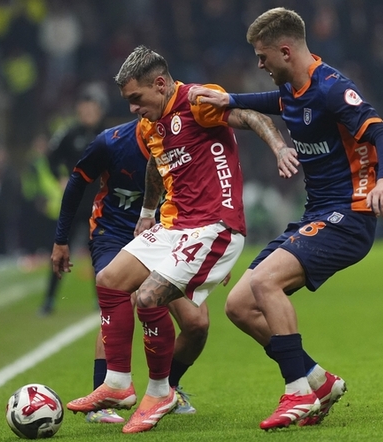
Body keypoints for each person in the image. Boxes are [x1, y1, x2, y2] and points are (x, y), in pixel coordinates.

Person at [187, 7, 383, 431]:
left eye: (262, 56)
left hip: (349, 215)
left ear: (285, 51)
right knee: (239, 306)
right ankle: (318, 381)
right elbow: (278, 102)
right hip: (316, 214)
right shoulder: (294, 90)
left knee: (265, 283)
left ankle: (297, 392)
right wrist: (231, 99)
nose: (259, 65)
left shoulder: (333, 88)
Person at [65, 45, 290, 434]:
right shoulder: (151, 122)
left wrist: (280, 147)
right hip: (173, 225)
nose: (133, 108)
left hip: (214, 225)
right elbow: (157, 162)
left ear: (160, 84)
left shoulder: (198, 101)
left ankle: (161, 392)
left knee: (149, 298)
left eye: (137, 98)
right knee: (109, 281)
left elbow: (251, 116)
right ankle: (117, 384)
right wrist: (147, 213)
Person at [51, 118, 211, 424]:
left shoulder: (184, 140)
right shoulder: (110, 142)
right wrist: (61, 239)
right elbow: (76, 183)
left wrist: (211, 251)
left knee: (197, 323)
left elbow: (202, 197)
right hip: (113, 234)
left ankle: (165, 391)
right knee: (121, 297)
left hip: (166, 236)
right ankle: (102, 398)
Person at [39, 82, 108, 315]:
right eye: (84, 107)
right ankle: (49, 300)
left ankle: (101, 300)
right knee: (60, 248)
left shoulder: (107, 134)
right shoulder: (69, 133)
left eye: (93, 108)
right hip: (74, 203)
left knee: (99, 251)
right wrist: (60, 177)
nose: (88, 112)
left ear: (100, 110)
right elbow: (50, 158)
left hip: (99, 203)